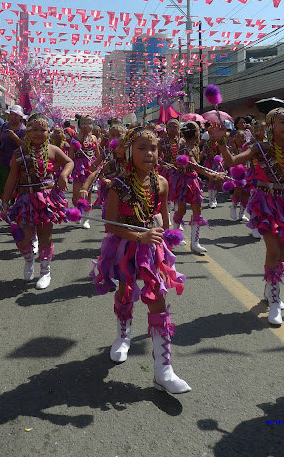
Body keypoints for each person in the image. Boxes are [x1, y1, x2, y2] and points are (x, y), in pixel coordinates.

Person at [91, 126, 190, 394]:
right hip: (126, 246)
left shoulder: (162, 183)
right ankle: (123, 335)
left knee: (157, 299)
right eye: (142, 148)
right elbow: (112, 225)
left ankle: (163, 371)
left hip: (152, 247)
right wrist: (139, 236)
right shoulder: (118, 185)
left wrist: (166, 239)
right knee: (125, 291)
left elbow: (165, 221)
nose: (149, 153)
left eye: (153, 148)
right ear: (128, 152)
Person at [211, 108, 284, 326]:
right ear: (270, 126)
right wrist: (221, 141)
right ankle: (275, 300)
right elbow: (232, 161)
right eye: (282, 122)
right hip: (266, 202)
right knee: (273, 249)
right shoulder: (260, 148)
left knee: (282, 249)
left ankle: (271, 285)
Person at [1, 113, 73, 289]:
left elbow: (69, 162)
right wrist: (5, 201)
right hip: (25, 200)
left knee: (45, 236)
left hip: (46, 200)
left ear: (49, 132)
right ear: (27, 131)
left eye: (43, 130)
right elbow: (12, 178)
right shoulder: (19, 153)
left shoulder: (52, 149)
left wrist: (63, 175)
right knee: (23, 238)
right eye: (34, 129)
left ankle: (45, 271)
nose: (38, 133)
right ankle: (28, 259)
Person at [170, 122, 223, 254]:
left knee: (197, 210)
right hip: (183, 182)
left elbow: (197, 165)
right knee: (181, 210)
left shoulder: (194, 147)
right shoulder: (184, 149)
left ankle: (195, 243)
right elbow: (196, 166)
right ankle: (175, 235)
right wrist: (212, 175)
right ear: (195, 134)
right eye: (198, 131)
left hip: (193, 181)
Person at [68, 115, 100, 229]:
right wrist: (69, 171)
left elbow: (98, 155)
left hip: (90, 167)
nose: (87, 126)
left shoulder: (94, 138)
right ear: (80, 124)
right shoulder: (75, 138)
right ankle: (78, 212)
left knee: (88, 193)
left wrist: (99, 167)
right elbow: (70, 156)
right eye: (84, 123)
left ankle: (86, 218)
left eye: (89, 123)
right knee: (77, 194)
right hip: (78, 167)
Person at [0, 105, 26, 195]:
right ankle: (3, 201)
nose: (13, 117)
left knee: (15, 185)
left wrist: (14, 137)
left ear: (20, 117)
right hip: (3, 159)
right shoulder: (4, 126)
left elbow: (23, 146)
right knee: (3, 183)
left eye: (16, 115)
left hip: (16, 161)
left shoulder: (23, 130)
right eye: (11, 114)